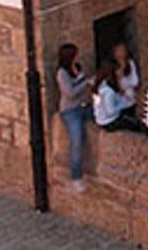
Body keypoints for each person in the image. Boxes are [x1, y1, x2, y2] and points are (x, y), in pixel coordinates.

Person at [54, 43, 93, 189]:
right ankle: (76, 177)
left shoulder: (77, 67)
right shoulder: (62, 73)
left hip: (83, 106)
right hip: (71, 110)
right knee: (76, 140)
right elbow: (70, 93)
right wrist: (85, 82)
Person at [93, 59, 142, 132]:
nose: (120, 72)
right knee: (136, 125)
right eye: (118, 70)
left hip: (101, 119)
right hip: (109, 121)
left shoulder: (100, 85)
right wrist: (124, 104)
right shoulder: (108, 91)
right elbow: (110, 111)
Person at [111, 41, 140, 108]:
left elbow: (135, 81)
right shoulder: (112, 66)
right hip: (116, 101)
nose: (121, 53)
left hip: (130, 99)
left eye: (123, 50)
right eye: (119, 51)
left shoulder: (130, 63)